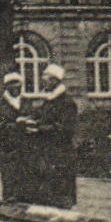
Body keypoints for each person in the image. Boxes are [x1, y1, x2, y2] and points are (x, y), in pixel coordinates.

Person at [28, 63, 79, 208]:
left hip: (61, 152)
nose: (44, 80)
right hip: (48, 151)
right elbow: (42, 117)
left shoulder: (66, 103)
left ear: (55, 81)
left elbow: (65, 129)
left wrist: (39, 129)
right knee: (49, 187)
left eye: (47, 77)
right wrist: (32, 120)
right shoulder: (49, 101)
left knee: (61, 188)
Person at [0, 72, 39, 203]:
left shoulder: (27, 102)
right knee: (10, 177)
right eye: (11, 84)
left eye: (17, 84)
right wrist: (17, 124)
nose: (15, 87)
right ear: (6, 86)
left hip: (27, 146)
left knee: (27, 177)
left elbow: (33, 117)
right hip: (9, 147)